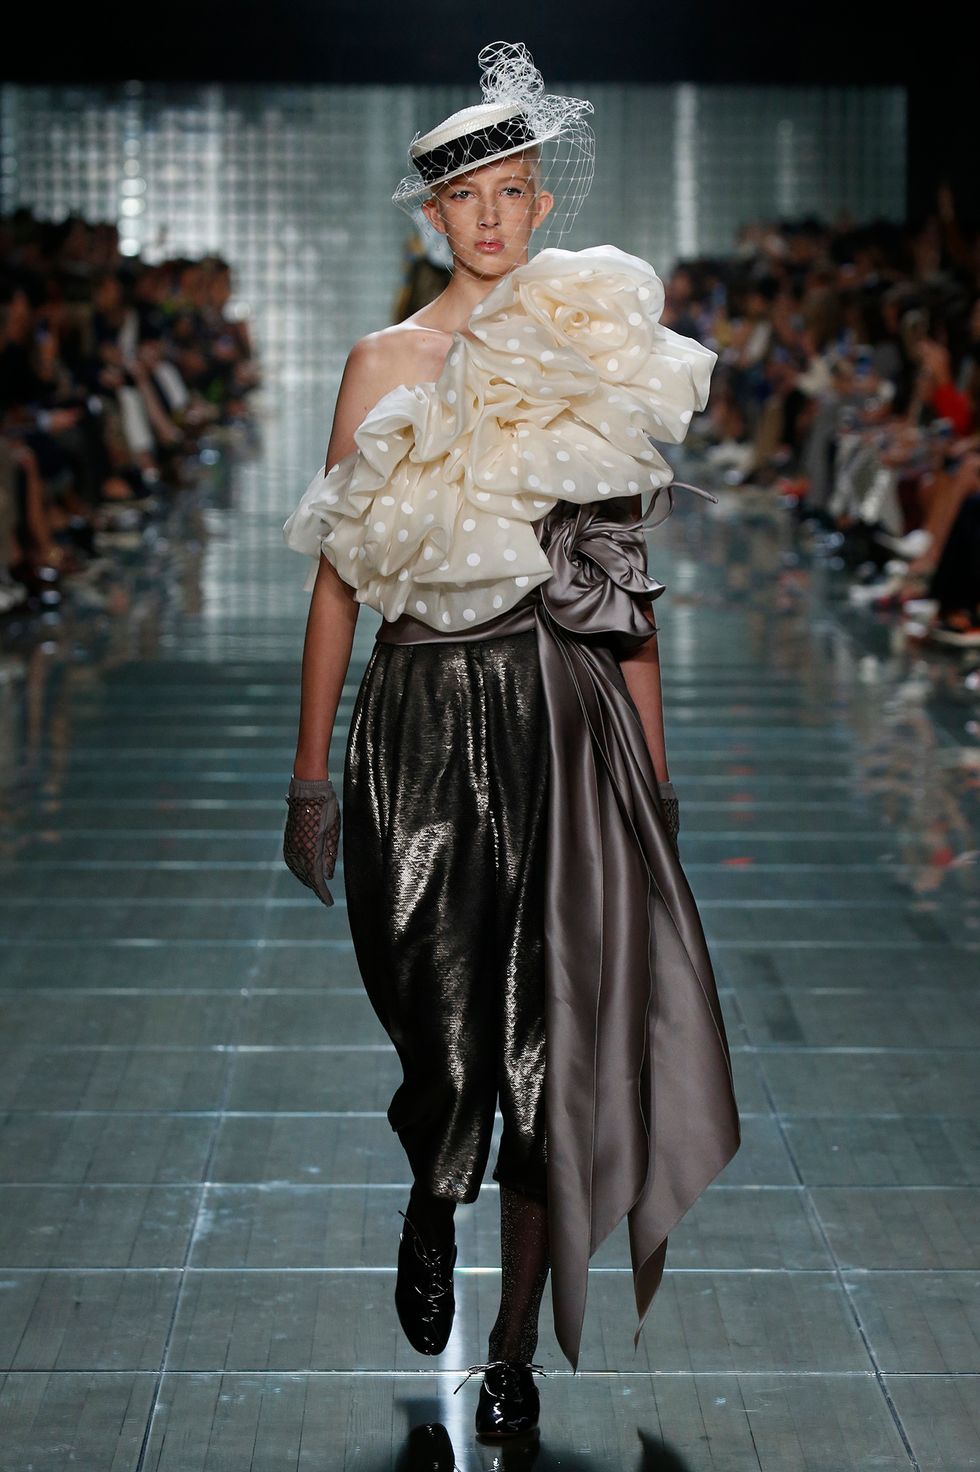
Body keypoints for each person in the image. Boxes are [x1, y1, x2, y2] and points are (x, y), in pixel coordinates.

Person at [281, 41, 740, 1442]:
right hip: (417, 716)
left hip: (559, 713)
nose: (490, 217)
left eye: (512, 191)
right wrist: (309, 777)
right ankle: (434, 1194)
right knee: (438, 1025)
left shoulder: (593, 357)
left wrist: (655, 778)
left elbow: (621, 587)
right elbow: (338, 582)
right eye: (465, 197)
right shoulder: (381, 365)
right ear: (434, 215)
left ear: (541, 204)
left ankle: (514, 1353)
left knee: (554, 1042)